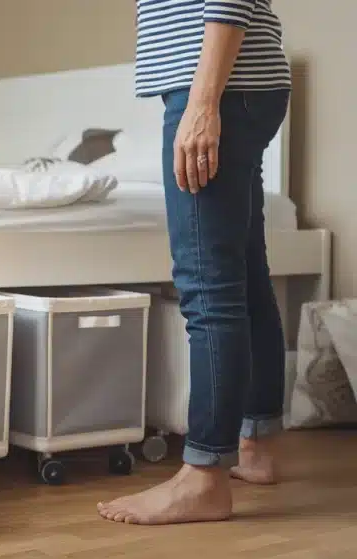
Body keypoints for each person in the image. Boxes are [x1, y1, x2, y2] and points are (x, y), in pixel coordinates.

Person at [98, 0, 292, 525]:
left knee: (208, 286)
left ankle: (203, 478)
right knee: (244, 279)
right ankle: (256, 446)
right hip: (239, 86)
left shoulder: (209, 96)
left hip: (216, 87)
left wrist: (203, 103)